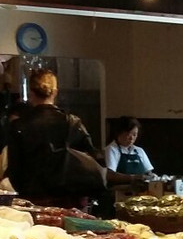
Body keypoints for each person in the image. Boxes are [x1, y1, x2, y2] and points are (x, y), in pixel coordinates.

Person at [5, 69, 136, 208]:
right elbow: (96, 159)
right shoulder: (73, 123)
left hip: (34, 200)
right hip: (72, 200)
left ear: (31, 93)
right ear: (55, 92)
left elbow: (15, 172)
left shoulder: (19, 126)